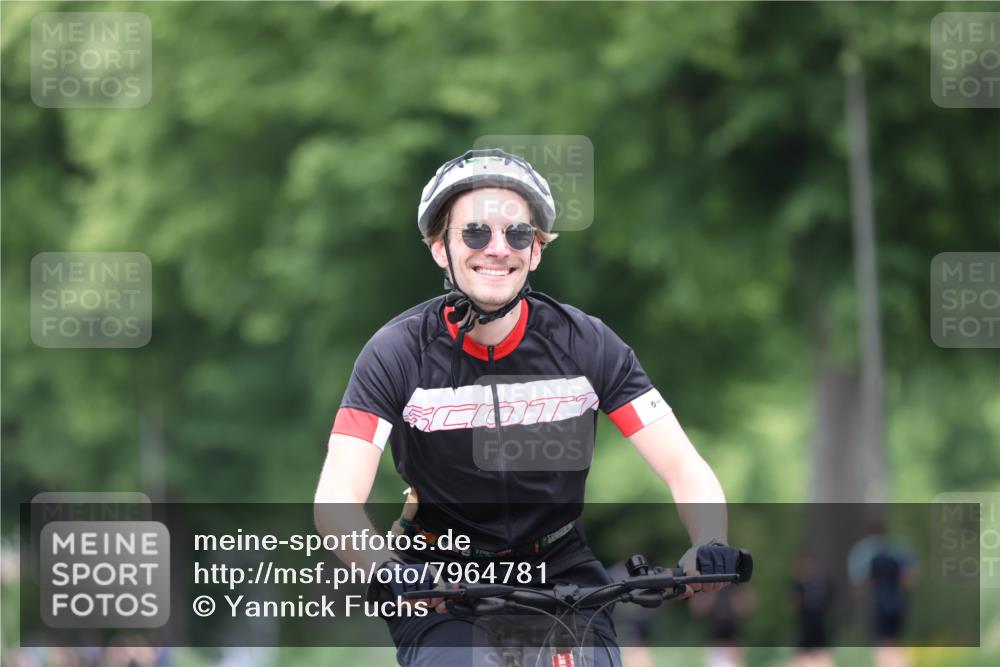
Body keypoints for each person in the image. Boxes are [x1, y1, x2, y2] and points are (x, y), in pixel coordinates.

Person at [314, 148, 741, 666]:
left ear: (536, 251)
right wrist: (384, 566)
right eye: (474, 233)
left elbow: (683, 466)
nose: (498, 248)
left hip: (562, 570)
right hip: (441, 581)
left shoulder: (587, 344)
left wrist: (710, 541)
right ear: (438, 248)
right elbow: (336, 496)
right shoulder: (396, 352)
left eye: (517, 234)